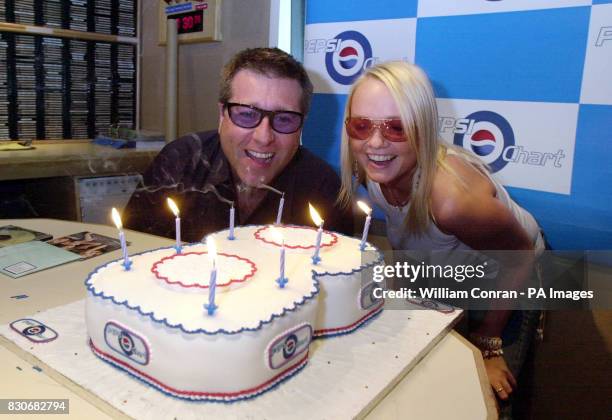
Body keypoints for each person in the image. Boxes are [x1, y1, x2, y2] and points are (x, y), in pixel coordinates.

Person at [337, 61, 544, 417]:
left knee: (481, 399)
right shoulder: (374, 168)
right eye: (361, 125)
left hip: (511, 275)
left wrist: (488, 345)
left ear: (423, 128)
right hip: (449, 273)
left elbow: (519, 256)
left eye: (397, 127)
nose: (375, 142)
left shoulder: (450, 200)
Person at [124, 47, 353, 241]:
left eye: (284, 119)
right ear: (222, 115)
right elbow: (133, 256)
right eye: (246, 115)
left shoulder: (322, 188)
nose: (264, 137)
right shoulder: (180, 164)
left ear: (302, 125)